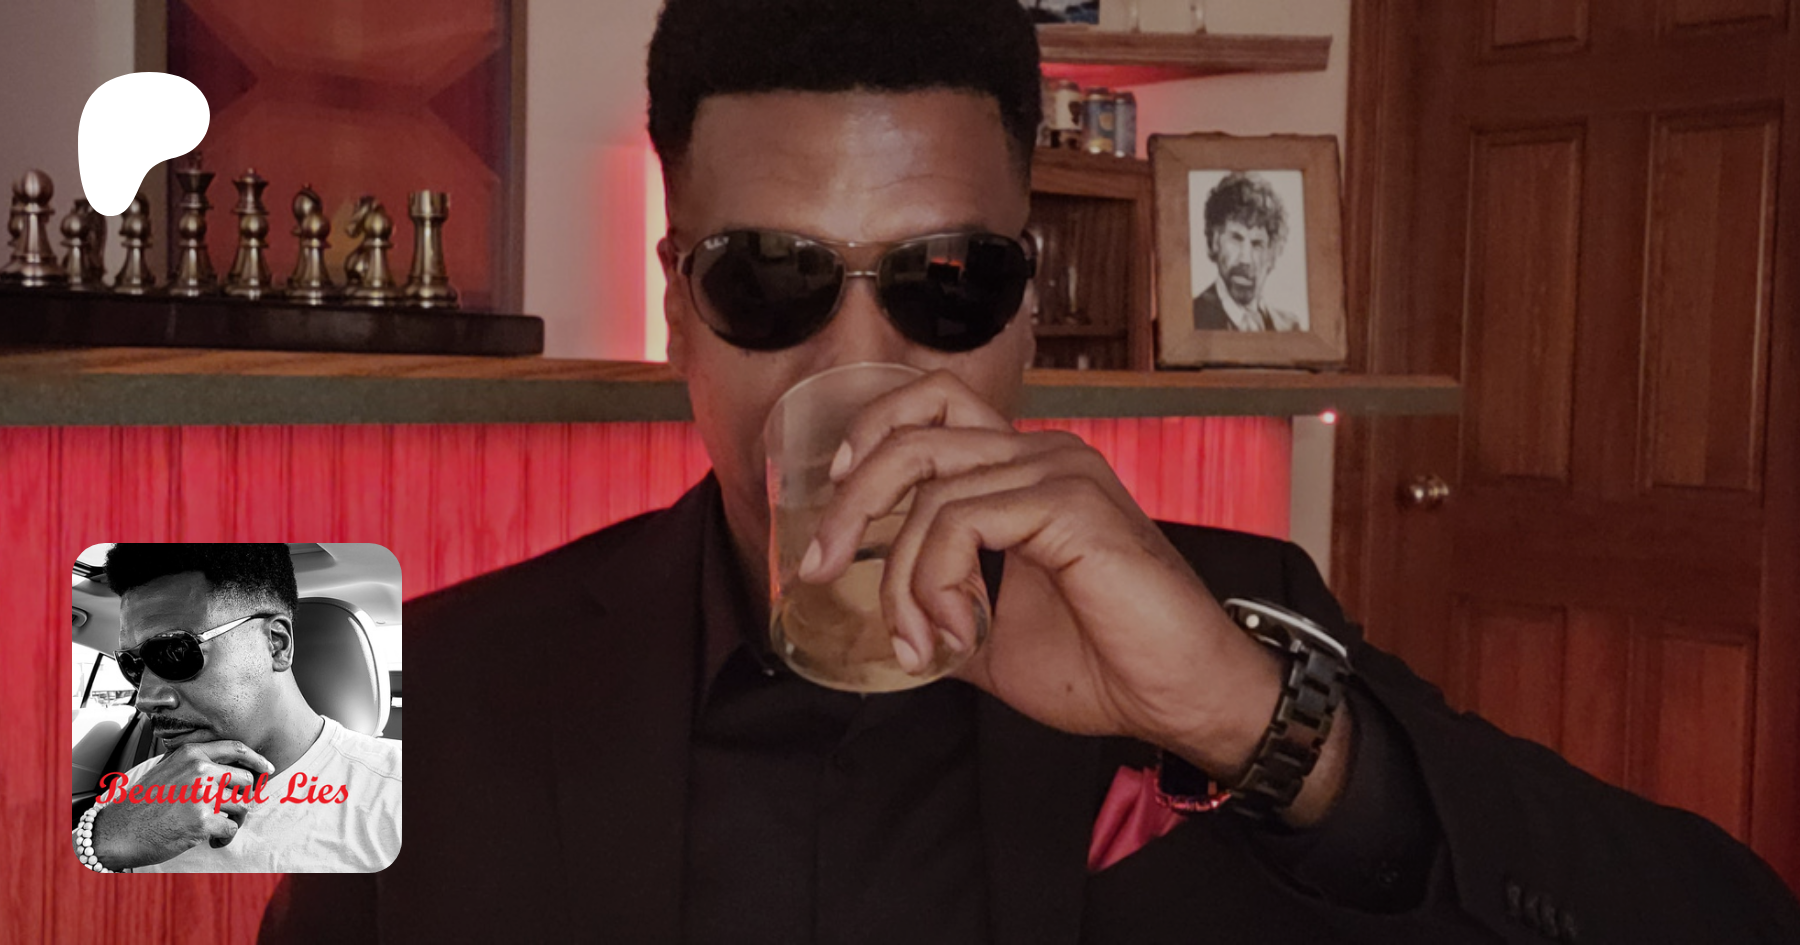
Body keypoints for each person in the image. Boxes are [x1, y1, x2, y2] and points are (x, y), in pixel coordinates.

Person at [261, 0, 1800, 941]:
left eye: (943, 281)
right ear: (677, 308)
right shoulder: (423, 677)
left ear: (1023, 314)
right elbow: (180, 784)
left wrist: (1257, 726)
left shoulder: (1236, 617)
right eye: (769, 279)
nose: (859, 365)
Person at [76, 544, 401, 873]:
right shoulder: (131, 794)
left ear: (276, 644)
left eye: (175, 653)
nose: (145, 698)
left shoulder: (401, 792)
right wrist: (107, 841)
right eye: (132, 665)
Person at [1191, 171, 1306, 333]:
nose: (1246, 258)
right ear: (1215, 241)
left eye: (1257, 244)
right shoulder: (1189, 319)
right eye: (1236, 239)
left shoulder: (1291, 328)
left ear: (1272, 253)